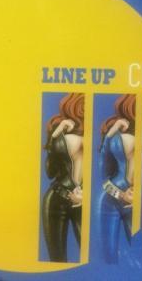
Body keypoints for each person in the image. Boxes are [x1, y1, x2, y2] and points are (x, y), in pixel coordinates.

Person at [41, 93, 85, 263]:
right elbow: (50, 172)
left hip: (82, 200)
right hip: (56, 198)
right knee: (56, 260)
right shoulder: (64, 137)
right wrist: (54, 136)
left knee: (91, 255)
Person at [98, 95, 136, 264]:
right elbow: (104, 178)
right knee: (109, 258)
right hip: (111, 201)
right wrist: (110, 132)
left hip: (138, 202)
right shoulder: (117, 136)